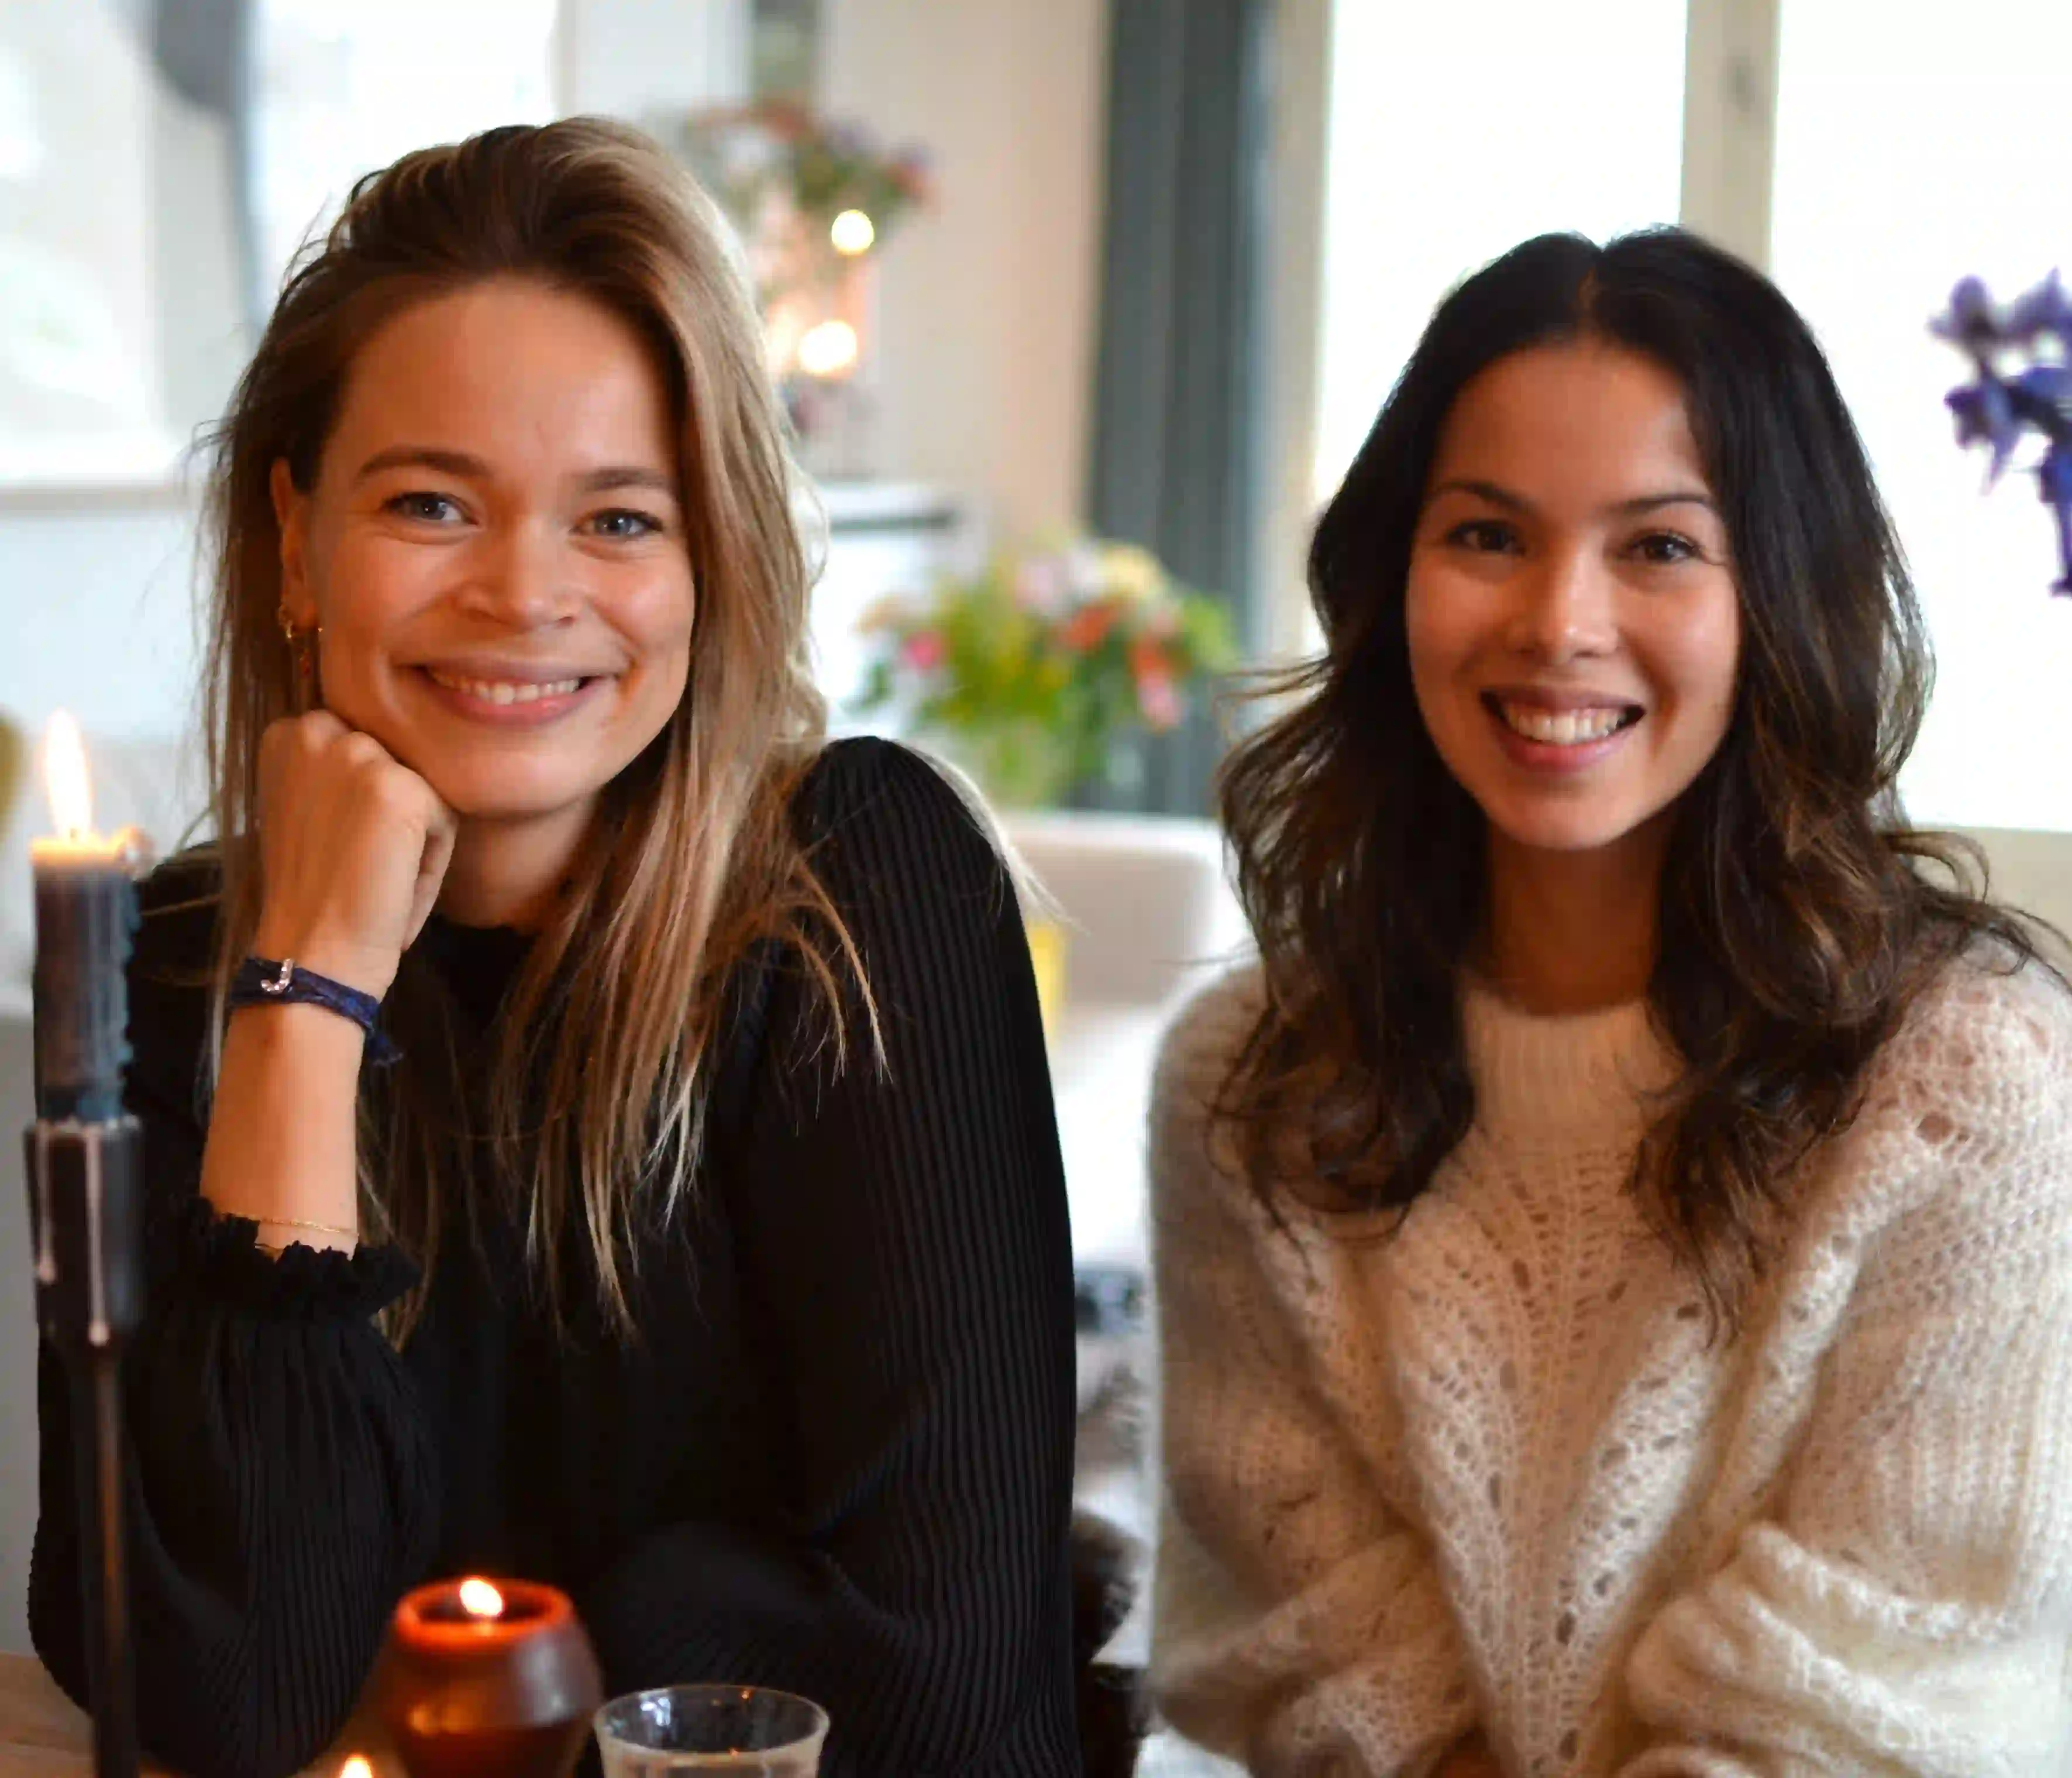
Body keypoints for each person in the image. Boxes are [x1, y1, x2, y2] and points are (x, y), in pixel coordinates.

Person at [29, 119, 1079, 1778]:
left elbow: (938, 1680)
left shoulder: (862, 888)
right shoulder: (168, 963)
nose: (526, 594)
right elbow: (228, 1697)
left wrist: (504, 1665)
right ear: (298, 537)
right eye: (432, 502)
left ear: (712, 554)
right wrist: (305, 996)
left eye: (618, 519)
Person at [1148, 228, 2072, 1777]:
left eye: (1657, 548)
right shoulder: (1252, 1081)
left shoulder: (1967, 1084)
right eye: (1486, 535)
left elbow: (1867, 1712)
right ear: (1390, 577)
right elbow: (1320, 1664)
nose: (1559, 623)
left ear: (1779, 595)